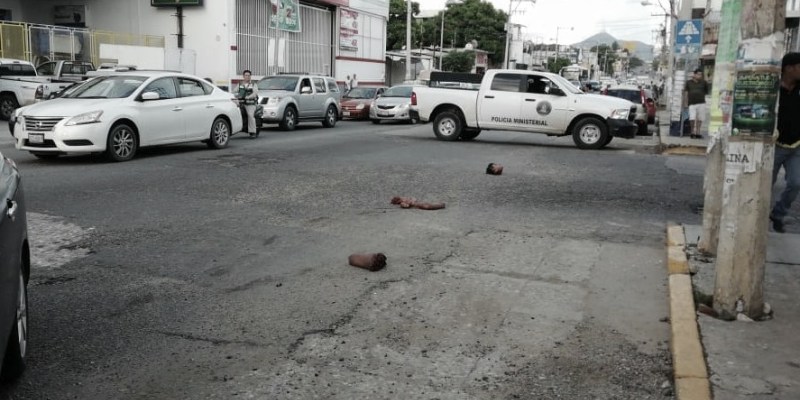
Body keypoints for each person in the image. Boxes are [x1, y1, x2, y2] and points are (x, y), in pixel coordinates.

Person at [769, 52, 800, 233]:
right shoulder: (773, 88)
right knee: (766, 185)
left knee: (796, 183)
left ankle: (778, 213)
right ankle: (757, 216)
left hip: (796, 145)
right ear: (789, 68)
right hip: (775, 145)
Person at [683, 68, 710, 139]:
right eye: (698, 74)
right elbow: (686, 93)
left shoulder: (704, 82)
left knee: (700, 118)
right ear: (694, 74)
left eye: (701, 74)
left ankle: (698, 132)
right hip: (691, 103)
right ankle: (692, 132)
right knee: (692, 118)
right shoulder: (688, 82)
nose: (700, 76)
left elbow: (706, 92)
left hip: (701, 103)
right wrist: (685, 103)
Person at [237, 69, 258, 138]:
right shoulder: (240, 84)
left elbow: (255, 93)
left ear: (250, 76)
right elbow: (234, 92)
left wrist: (248, 97)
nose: (247, 77)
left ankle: (253, 132)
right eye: (246, 75)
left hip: (250, 103)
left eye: (249, 75)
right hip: (241, 103)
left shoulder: (254, 84)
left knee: (250, 115)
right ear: (243, 76)